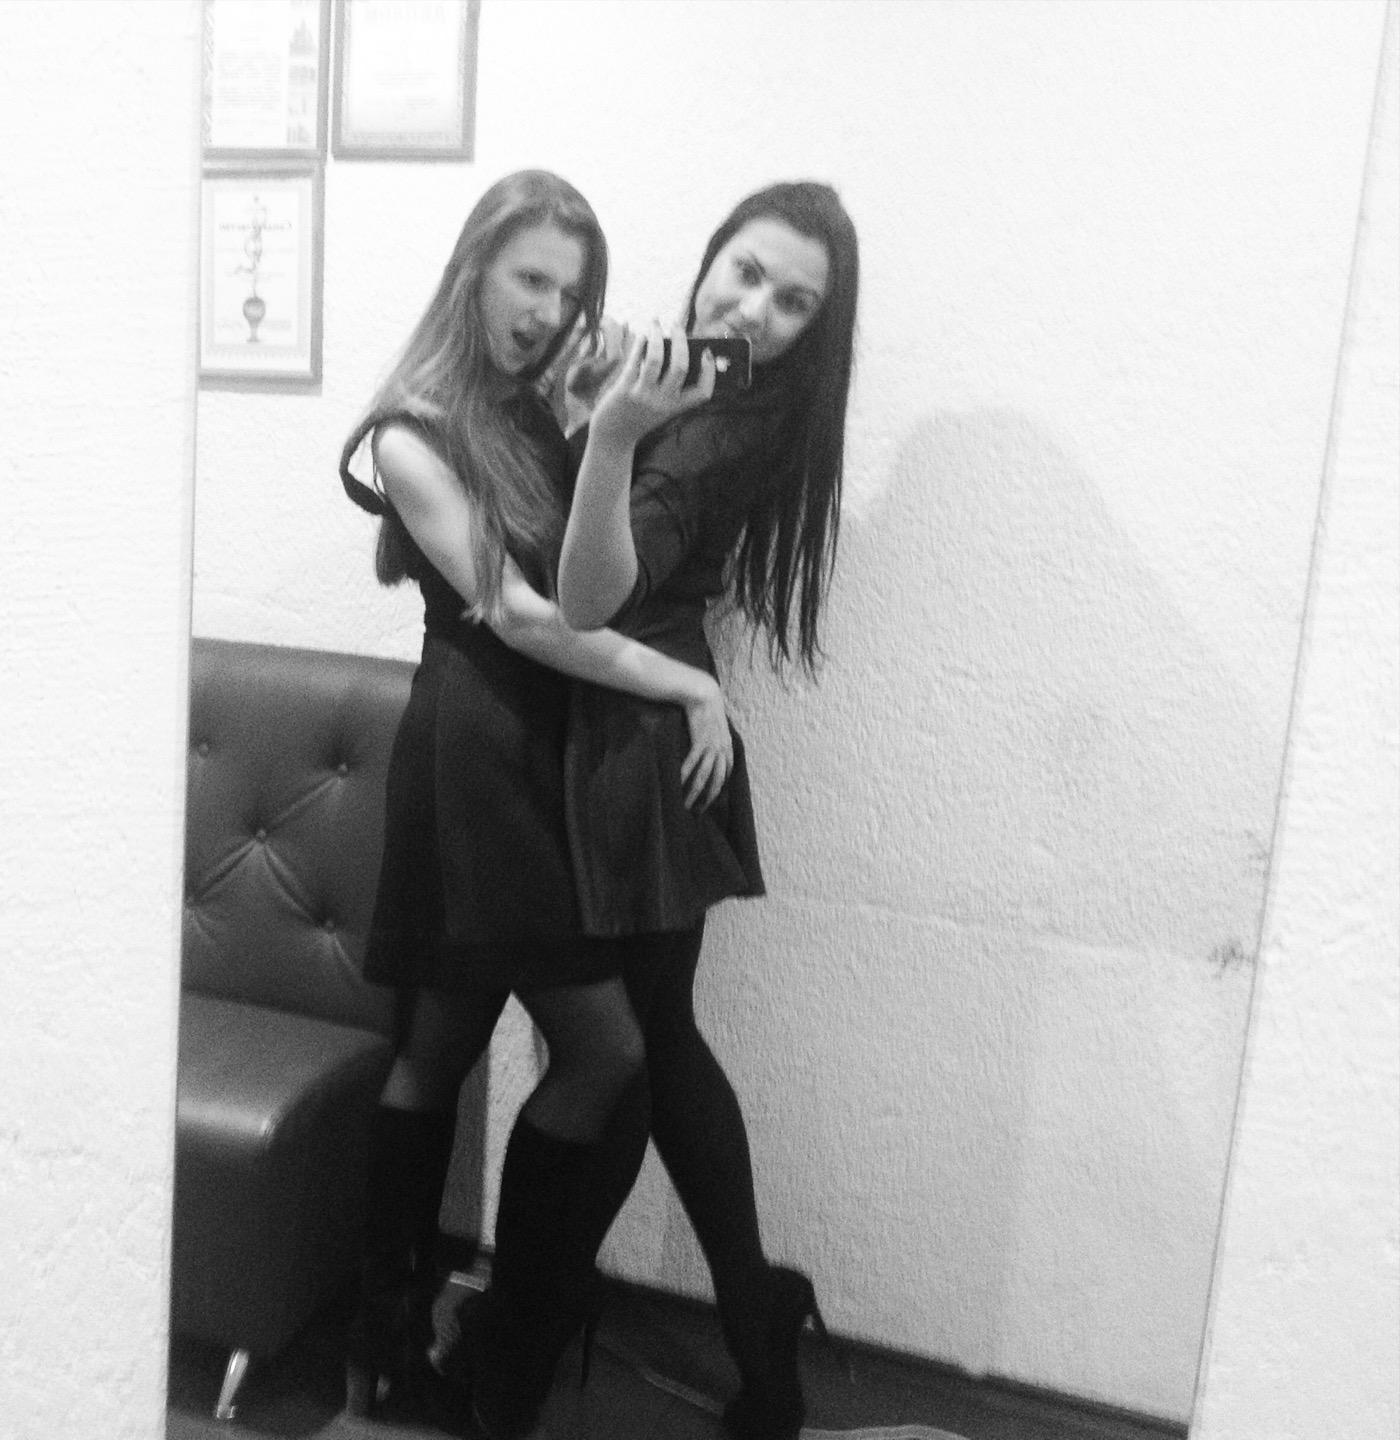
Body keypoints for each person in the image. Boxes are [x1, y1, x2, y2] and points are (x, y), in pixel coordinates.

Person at [337, 169, 735, 1437]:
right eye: (530, 278)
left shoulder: (525, 411)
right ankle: (457, 1330)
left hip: (537, 747)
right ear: (474, 269)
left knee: (445, 1041)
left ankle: (407, 1341)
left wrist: (603, 420)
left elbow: (591, 577)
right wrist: (686, 683)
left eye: (571, 291)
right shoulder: (408, 429)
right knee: (601, 1050)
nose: (550, 310)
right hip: (476, 752)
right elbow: (517, 613)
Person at [553, 179, 860, 1440]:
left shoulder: (724, 429)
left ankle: (602, 1312)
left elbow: (595, 594)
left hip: (641, 746)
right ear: (709, 256)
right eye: (746, 271)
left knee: (638, 1051)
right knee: (646, 1047)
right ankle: (747, 1314)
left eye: (794, 302)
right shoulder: (695, 393)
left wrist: (612, 436)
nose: (756, 309)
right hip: (643, 727)